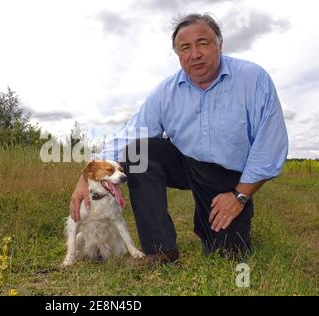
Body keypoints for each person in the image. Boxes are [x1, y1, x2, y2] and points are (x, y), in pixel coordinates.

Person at [69, 13, 288, 262]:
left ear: (220, 44)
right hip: (185, 163)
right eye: (185, 47)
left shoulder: (253, 78)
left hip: (228, 176)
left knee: (228, 253)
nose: (195, 54)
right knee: (137, 150)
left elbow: (270, 144)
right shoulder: (166, 91)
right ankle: (160, 250)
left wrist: (239, 196)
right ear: (178, 54)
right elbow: (132, 133)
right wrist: (85, 175)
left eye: (203, 43)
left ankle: (217, 227)